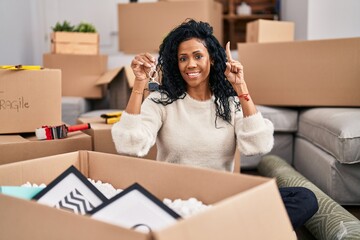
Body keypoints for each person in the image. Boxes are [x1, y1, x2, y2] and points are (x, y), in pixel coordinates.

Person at [111, 19, 318, 229]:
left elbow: (258, 145)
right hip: (178, 204)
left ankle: (223, 230)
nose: (190, 64)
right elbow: (130, 145)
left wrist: (240, 87)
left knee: (304, 198)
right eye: (183, 58)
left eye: (198, 56)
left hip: (223, 199)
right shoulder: (161, 101)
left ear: (211, 60)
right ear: (176, 63)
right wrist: (139, 85)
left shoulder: (229, 103)